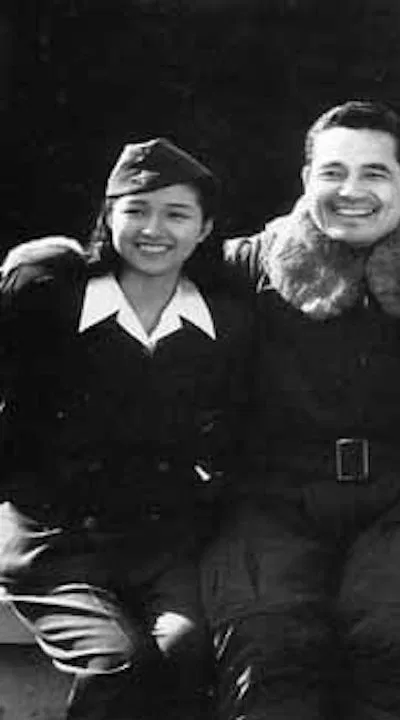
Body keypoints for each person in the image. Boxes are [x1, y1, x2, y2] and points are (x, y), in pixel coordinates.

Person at [1, 101, 400, 720]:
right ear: (306, 179)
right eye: (333, 172)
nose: (352, 191)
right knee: (267, 645)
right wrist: (41, 260)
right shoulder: (250, 263)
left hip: (399, 505)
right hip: (273, 502)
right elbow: (144, 254)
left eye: (374, 174)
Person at [0, 138, 251, 719]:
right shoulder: (45, 297)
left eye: (177, 213)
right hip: (54, 543)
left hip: (161, 545)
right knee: (116, 660)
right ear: (108, 215)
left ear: (206, 228)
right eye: (135, 209)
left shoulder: (224, 323)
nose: (153, 229)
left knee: (190, 649)